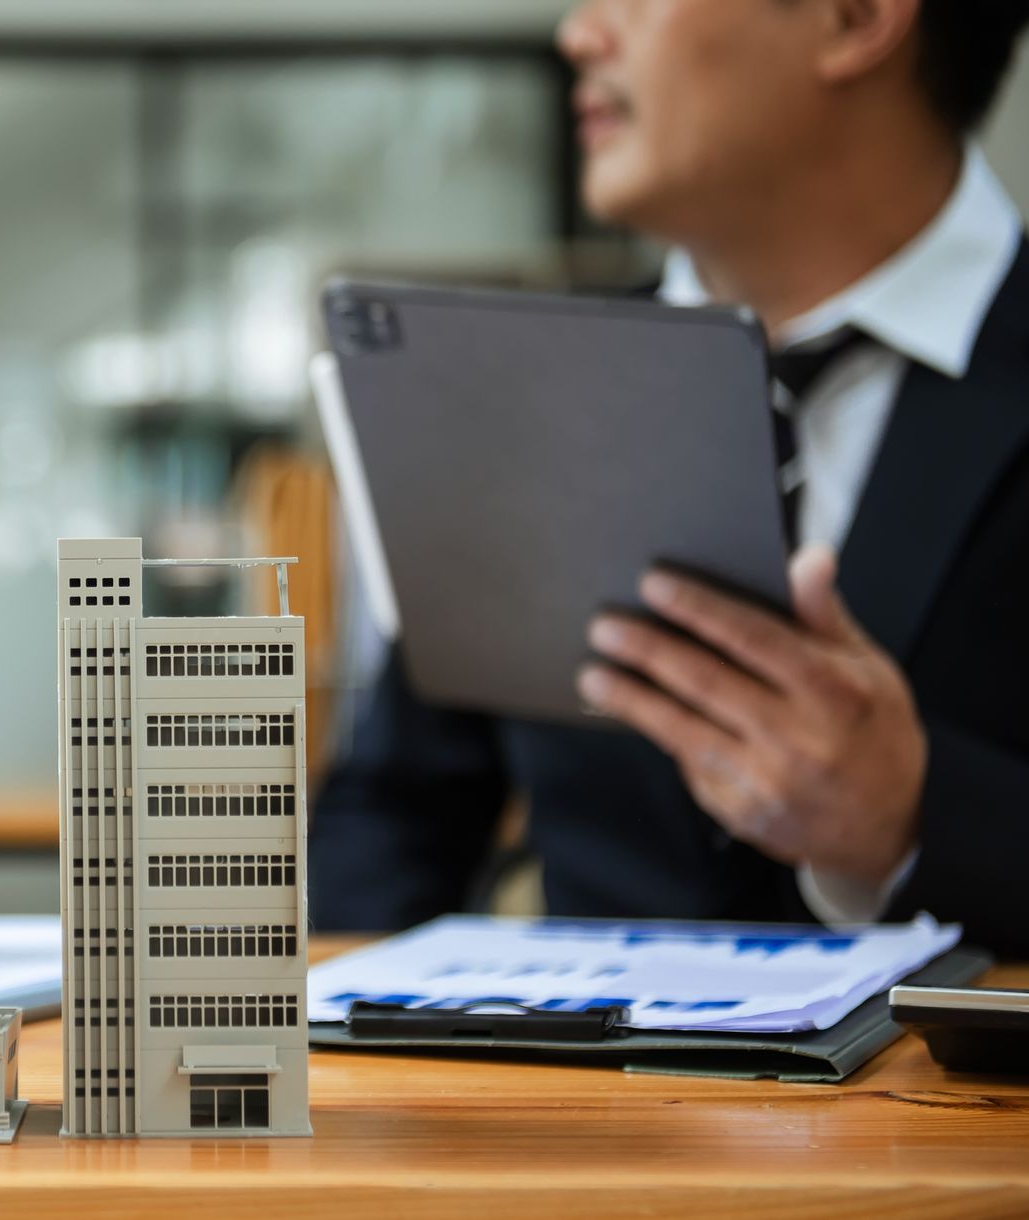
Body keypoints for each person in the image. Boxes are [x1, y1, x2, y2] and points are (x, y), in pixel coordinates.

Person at [310, 0, 1029, 956]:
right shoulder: (528, 389)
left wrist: (916, 817)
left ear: (856, 18)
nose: (578, 33)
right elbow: (392, 818)